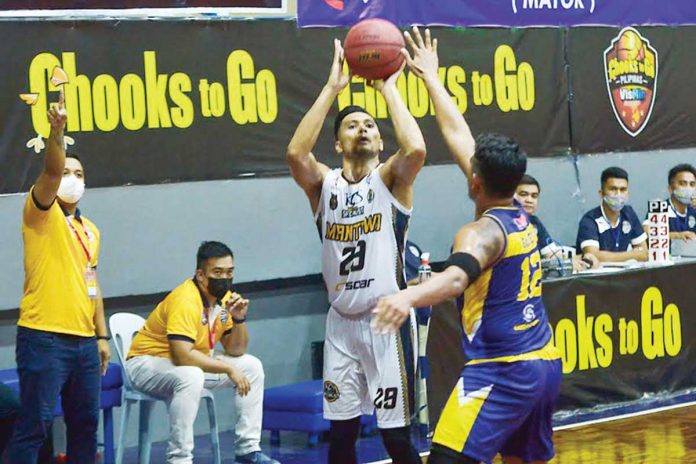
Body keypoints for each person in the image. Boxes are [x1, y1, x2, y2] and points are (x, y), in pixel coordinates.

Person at [371, 27, 563, 464]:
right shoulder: (516, 207)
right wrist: (431, 79)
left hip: (501, 370)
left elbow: (456, 278)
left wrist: (407, 295)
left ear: (474, 180)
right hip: (544, 362)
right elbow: (459, 135)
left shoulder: (480, 233)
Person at [286, 39, 426, 464]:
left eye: (370, 125)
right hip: (341, 324)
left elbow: (416, 148)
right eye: (351, 125)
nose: (362, 128)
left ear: (382, 144)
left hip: (387, 321)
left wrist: (388, 89)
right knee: (342, 435)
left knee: (395, 438)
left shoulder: (390, 181)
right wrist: (332, 89)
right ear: (337, 145)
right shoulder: (322, 185)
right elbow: (295, 152)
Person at [7, 89, 111, 463]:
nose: (71, 177)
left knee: (85, 427)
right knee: (34, 427)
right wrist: (57, 133)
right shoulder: (40, 212)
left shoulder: (91, 230)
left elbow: (92, 283)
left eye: (79, 174)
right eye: (68, 171)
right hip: (44, 337)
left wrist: (101, 336)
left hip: (84, 344)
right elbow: (51, 170)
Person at [126, 241, 278, 464]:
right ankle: (179, 459)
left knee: (251, 366)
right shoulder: (185, 300)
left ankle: (247, 451)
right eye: (217, 272)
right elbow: (182, 355)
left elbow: (235, 349)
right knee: (192, 375)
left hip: (188, 363)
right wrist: (227, 368)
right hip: (146, 364)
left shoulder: (224, 303)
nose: (224, 278)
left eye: (229, 272)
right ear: (201, 275)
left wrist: (238, 318)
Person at [515, 175, 599, 272]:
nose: (529, 200)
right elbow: (525, 263)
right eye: (523, 194)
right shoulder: (505, 224)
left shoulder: (534, 222)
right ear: (511, 196)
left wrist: (582, 257)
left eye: (534, 196)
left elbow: (551, 254)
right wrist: (566, 263)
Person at [576, 167, 647, 263]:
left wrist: (607, 256)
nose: (618, 194)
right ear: (601, 194)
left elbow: (644, 253)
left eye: (623, 190)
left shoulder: (629, 213)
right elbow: (592, 256)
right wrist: (633, 255)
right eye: (613, 189)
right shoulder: (589, 220)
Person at [643, 164, 696, 240]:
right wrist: (676, 236)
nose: (688, 188)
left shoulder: (693, 209)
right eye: (683, 183)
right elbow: (646, 232)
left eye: (692, 184)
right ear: (670, 188)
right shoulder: (659, 208)